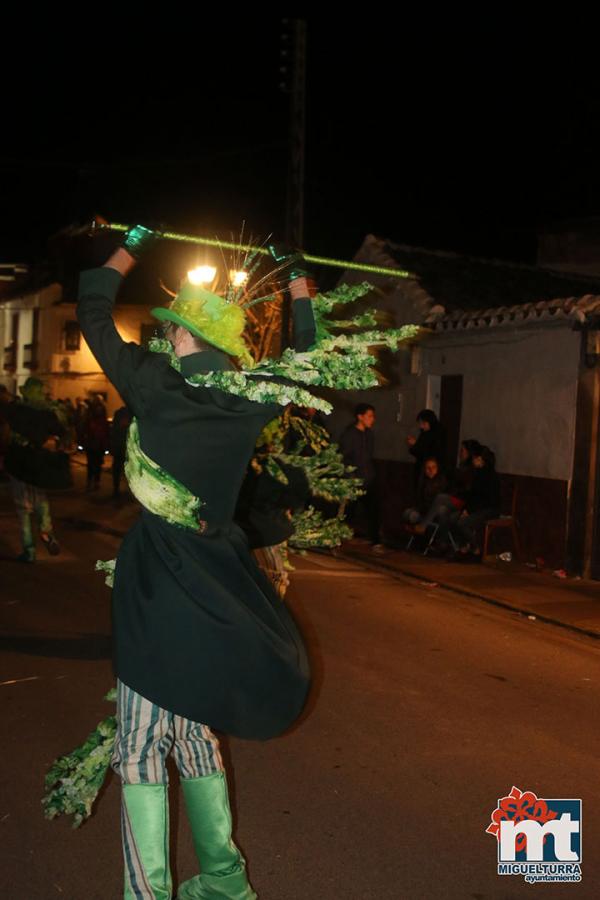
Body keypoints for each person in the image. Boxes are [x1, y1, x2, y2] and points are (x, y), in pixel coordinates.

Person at [77, 226, 317, 899]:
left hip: (156, 592)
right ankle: (224, 881)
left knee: (141, 746)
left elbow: (92, 311)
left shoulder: (152, 384)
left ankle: (146, 892)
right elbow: (308, 356)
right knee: (194, 736)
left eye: (173, 329)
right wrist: (296, 277)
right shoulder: (248, 400)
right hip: (218, 589)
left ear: (185, 337)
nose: (167, 338)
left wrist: (127, 246)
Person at [3, 377, 71, 561]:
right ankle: (46, 532)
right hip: (40, 462)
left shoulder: (16, 411)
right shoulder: (48, 414)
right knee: (40, 499)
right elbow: (63, 433)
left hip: (18, 461)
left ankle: (29, 550)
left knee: (23, 507)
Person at [339, 403, 384, 553]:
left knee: (374, 510)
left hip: (368, 478)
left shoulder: (369, 435)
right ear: (360, 417)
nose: (373, 419)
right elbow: (344, 457)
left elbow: (369, 456)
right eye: (370, 416)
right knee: (349, 511)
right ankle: (335, 537)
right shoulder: (349, 434)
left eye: (373, 416)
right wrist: (349, 476)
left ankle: (376, 541)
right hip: (354, 479)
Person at [447, 445, 501, 561]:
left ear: (480, 459)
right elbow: (472, 496)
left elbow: (486, 500)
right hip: (477, 508)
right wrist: (465, 510)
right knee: (452, 518)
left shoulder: (490, 476)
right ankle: (463, 547)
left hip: (489, 509)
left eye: (474, 458)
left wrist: (469, 511)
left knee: (462, 523)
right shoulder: (478, 473)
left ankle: (476, 549)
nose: (472, 461)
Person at [402, 456, 448, 526]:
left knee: (441, 511)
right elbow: (419, 501)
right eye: (428, 468)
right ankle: (423, 522)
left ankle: (424, 524)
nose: (431, 470)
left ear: (437, 468)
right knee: (407, 513)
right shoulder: (422, 481)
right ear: (425, 469)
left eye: (433, 467)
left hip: (434, 513)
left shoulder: (441, 481)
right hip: (422, 512)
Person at [406, 409, 446, 487]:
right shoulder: (424, 433)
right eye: (420, 423)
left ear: (430, 422)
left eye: (423, 423)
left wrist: (416, 444)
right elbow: (417, 452)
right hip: (422, 469)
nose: (421, 426)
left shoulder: (438, 434)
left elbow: (430, 453)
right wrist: (412, 445)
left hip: (432, 470)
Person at [82, 398, 110, 491]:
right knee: (91, 464)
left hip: (99, 446)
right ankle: (90, 481)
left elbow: (106, 434)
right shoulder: (90, 420)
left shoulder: (103, 422)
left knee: (97, 465)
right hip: (92, 446)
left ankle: (96, 481)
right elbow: (85, 432)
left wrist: (106, 446)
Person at [110, 404, 132, 498]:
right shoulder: (129, 413)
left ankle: (119, 489)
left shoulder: (130, 413)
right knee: (119, 468)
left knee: (121, 468)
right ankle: (117, 488)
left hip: (125, 446)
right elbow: (115, 429)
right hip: (122, 445)